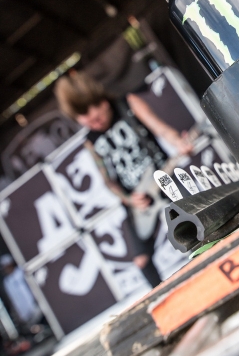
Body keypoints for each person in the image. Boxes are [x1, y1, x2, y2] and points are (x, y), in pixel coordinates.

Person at [55, 71, 192, 288]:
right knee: (141, 260)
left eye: (97, 118)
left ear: (103, 103)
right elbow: (107, 180)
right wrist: (129, 199)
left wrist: (178, 142)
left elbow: (161, 129)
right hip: (135, 200)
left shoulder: (128, 104)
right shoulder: (90, 140)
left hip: (163, 178)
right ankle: (166, 297)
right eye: (89, 123)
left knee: (195, 222)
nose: (96, 125)